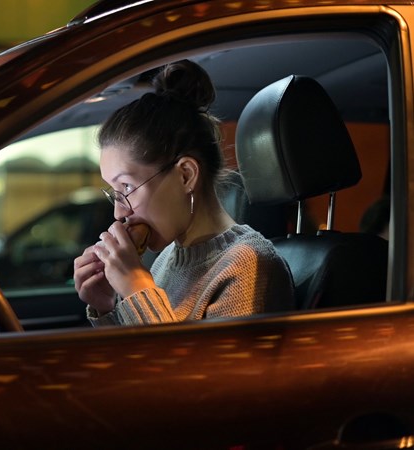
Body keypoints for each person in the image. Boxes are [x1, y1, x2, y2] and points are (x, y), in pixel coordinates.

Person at [73, 60, 295, 326]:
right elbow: (136, 363)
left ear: (185, 175)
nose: (119, 212)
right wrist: (108, 306)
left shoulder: (250, 264)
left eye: (127, 188)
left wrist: (137, 289)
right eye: (115, 192)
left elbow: (188, 368)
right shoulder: (167, 257)